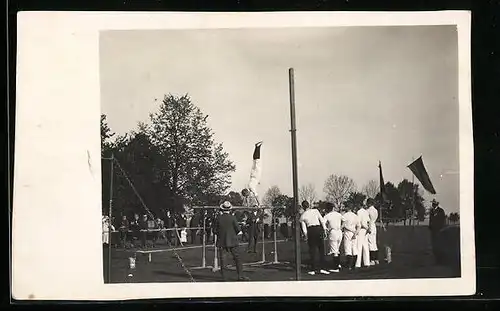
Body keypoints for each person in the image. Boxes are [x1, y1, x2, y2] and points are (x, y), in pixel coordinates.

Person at [214, 201, 249, 281]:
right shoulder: (232, 218)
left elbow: (214, 230)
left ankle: (224, 277)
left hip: (222, 241)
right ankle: (240, 276)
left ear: (222, 209)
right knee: (237, 259)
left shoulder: (218, 218)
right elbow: (238, 229)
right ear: (230, 209)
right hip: (233, 241)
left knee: (223, 260)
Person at [299, 200, 330, 275]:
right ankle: (322, 268)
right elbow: (322, 220)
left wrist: (306, 236)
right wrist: (325, 229)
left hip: (311, 230)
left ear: (303, 207)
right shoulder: (315, 211)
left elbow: (304, 229)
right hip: (318, 229)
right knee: (321, 249)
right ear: (309, 205)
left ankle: (313, 269)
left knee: (312, 250)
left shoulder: (302, 216)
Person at [241, 141, 263, 207]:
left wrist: (259, 204)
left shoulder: (251, 187)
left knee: (257, 161)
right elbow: (247, 197)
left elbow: (256, 196)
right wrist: (247, 205)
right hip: (253, 175)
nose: (248, 196)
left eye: (247, 195)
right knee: (254, 161)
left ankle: (257, 147)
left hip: (256, 175)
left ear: (246, 193)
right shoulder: (248, 187)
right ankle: (257, 147)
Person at [323, 202, 343, 272]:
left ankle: (336, 267)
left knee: (334, 250)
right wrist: (341, 227)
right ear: (333, 208)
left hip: (333, 232)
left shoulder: (327, 215)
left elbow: (323, 222)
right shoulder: (339, 214)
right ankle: (338, 264)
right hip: (339, 232)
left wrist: (326, 229)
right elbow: (344, 221)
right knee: (337, 248)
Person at [341, 202, 359, 270]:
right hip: (354, 232)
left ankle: (348, 265)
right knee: (354, 248)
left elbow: (344, 225)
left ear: (348, 208)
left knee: (347, 248)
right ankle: (353, 265)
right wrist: (355, 233)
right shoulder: (355, 216)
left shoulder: (345, 215)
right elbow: (359, 226)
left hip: (348, 232)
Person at [429, 199, 446, 265]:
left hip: (439, 230)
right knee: (434, 244)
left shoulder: (441, 211)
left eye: (434, 203)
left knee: (439, 244)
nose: (433, 204)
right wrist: (430, 227)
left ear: (437, 204)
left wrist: (442, 227)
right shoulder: (431, 211)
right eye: (432, 203)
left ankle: (440, 260)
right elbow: (431, 220)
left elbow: (443, 220)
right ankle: (435, 258)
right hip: (433, 230)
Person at [355, 201, 371, 268]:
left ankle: (358, 264)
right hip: (366, 230)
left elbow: (360, 222)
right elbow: (368, 221)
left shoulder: (359, 212)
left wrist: (366, 227)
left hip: (361, 230)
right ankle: (367, 262)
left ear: (359, 205)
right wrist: (368, 228)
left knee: (359, 247)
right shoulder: (366, 212)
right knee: (365, 246)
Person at [366, 198, 380, 265]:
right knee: (374, 242)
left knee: (370, 243)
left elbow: (367, 220)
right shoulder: (376, 210)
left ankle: (372, 260)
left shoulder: (368, 210)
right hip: (374, 226)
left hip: (370, 225)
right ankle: (376, 259)